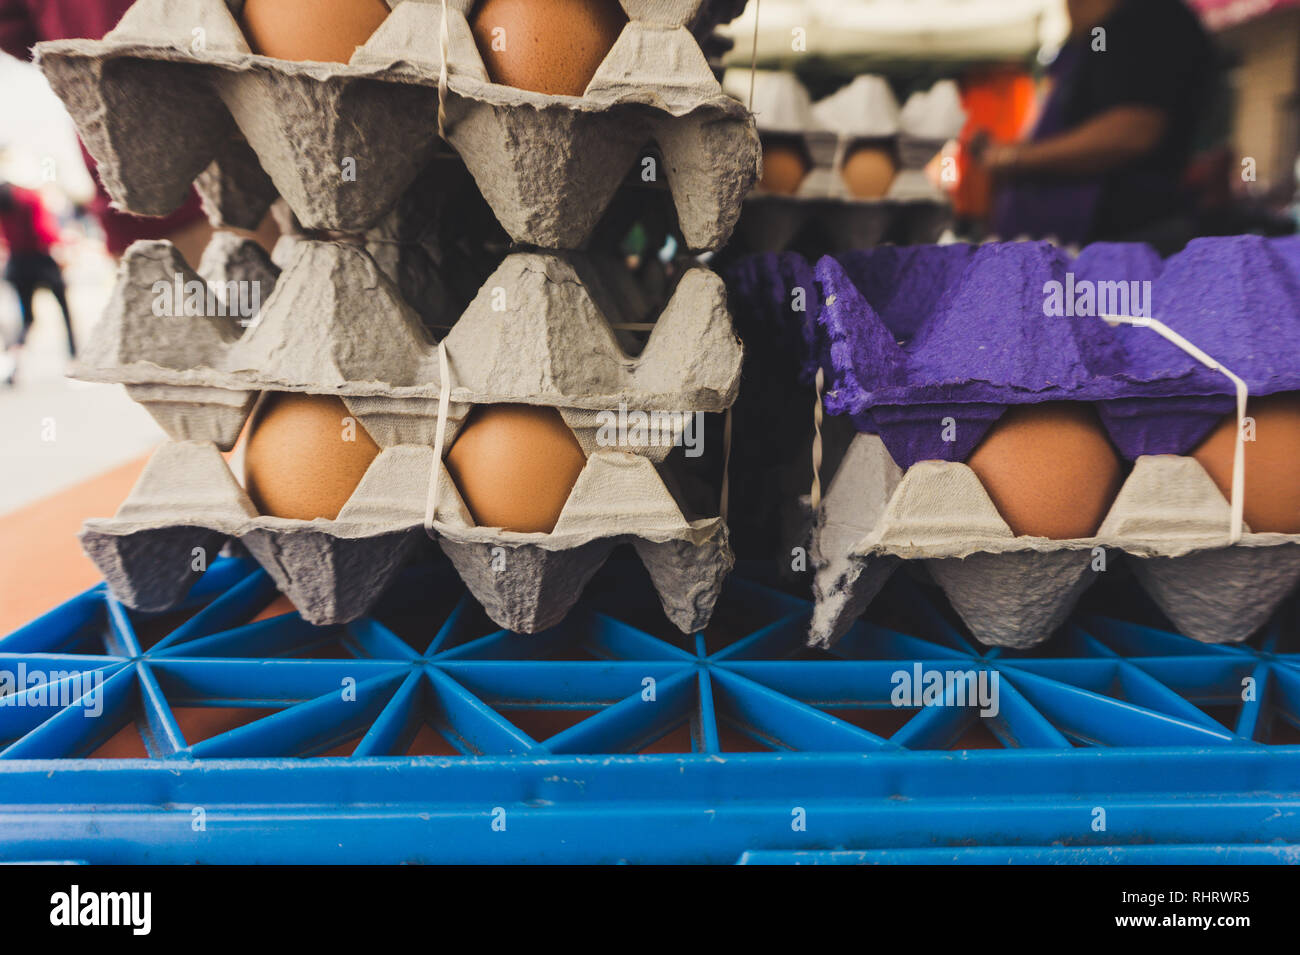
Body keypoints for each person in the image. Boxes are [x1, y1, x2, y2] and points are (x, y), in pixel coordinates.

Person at [975, 0, 1214, 249]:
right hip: (1086, 239)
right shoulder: (1092, 39)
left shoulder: (1149, 19)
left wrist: (1015, 158)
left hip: (1126, 239)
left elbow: (1132, 131)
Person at [0, 181, 75, 382]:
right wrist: (65, 242)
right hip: (41, 261)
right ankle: (74, 359)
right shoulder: (29, 198)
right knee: (64, 311)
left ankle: (13, 361)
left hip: (18, 264)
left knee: (27, 319)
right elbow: (42, 230)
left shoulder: (5, 203)